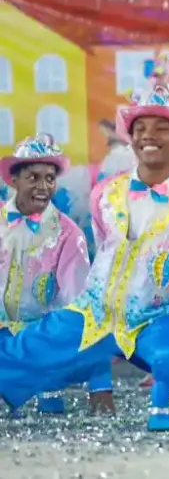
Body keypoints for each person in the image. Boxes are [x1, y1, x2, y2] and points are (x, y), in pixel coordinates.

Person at [0, 85, 169, 432]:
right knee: (17, 355)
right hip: (97, 314)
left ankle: (163, 398)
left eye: (160, 128)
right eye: (139, 129)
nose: (147, 136)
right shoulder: (105, 193)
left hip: (160, 318)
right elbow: (105, 255)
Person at [0, 134, 91, 414]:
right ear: (14, 181)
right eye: (34, 177)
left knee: (50, 411)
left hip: (42, 343)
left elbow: (81, 306)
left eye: (50, 178)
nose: (43, 187)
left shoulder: (68, 235)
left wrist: (100, 385)